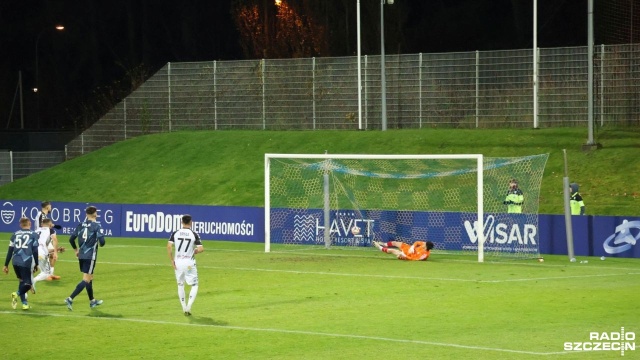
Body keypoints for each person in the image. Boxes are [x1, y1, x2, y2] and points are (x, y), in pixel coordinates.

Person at [64, 206, 106, 311]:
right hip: (90, 255)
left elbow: (71, 239)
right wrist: (99, 239)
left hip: (81, 255)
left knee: (89, 277)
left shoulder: (80, 225)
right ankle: (70, 298)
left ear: (86, 214)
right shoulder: (97, 226)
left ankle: (92, 301)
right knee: (86, 280)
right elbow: (102, 243)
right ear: (95, 214)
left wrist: (75, 250)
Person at [167, 214, 204, 316]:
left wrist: (171, 260)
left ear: (181, 222)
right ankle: (189, 306)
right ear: (191, 222)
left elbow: (169, 247)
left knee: (180, 284)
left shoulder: (175, 233)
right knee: (194, 284)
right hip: (189, 263)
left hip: (178, 262)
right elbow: (201, 249)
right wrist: (195, 251)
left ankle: (183, 307)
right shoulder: (194, 234)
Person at [3, 217, 39, 310]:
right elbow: (35, 250)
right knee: (28, 284)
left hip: (15, 261)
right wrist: (37, 263)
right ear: (29, 223)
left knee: (22, 281)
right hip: (25, 261)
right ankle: (16, 294)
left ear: (20, 225)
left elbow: (10, 251)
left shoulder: (14, 234)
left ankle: (24, 304)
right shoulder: (33, 234)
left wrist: (6, 265)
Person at [34, 201, 62, 279]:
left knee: (52, 255)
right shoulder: (41, 215)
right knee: (50, 254)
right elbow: (41, 226)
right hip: (42, 238)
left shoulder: (44, 216)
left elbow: (46, 224)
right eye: (50, 206)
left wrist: (55, 225)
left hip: (45, 237)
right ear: (47, 207)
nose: (51, 208)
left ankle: (49, 274)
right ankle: (46, 274)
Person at [32, 219, 61, 291]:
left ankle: (24, 293)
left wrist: (56, 250)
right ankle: (32, 281)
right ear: (50, 224)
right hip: (41, 254)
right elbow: (54, 239)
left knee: (34, 270)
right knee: (46, 273)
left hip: (32, 253)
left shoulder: (36, 231)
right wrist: (55, 252)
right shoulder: (51, 230)